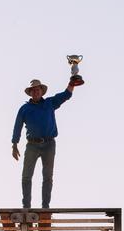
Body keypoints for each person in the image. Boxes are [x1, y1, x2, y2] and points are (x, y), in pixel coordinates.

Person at [11, 78, 79, 208]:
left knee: (48, 177)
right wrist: (14, 144)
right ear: (30, 93)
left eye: (38, 89)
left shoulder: (50, 103)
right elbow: (17, 126)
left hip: (49, 144)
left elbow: (66, 95)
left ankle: (45, 207)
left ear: (42, 91)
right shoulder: (24, 109)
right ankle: (26, 206)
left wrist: (72, 83)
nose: (36, 92)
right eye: (33, 90)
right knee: (26, 176)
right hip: (32, 145)